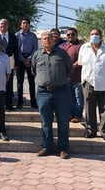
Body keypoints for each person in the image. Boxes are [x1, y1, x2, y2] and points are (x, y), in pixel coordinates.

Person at [32, 31, 73, 159]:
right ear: (42, 41)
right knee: (45, 121)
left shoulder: (62, 54)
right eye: (45, 38)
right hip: (43, 92)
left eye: (49, 38)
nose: (47, 40)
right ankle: (47, 146)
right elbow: (34, 71)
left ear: (54, 40)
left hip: (61, 91)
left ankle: (63, 148)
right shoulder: (37, 55)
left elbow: (70, 69)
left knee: (63, 121)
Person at [78, 28, 105, 141]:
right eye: (92, 34)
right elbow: (80, 62)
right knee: (89, 107)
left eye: (96, 34)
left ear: (101, 36)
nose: (94, 36)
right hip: (89, 82)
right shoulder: (84, 48)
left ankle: (104, 131)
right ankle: (91, 130)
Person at [0, 18, 19, 111]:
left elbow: (16, 50)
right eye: (1, 24)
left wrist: (16, 63)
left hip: (9, 60)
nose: (3, 26)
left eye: (4, 24)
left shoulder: (13, 36)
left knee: (9, 82)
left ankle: (9, 104)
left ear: (7, 26)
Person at [61, 27, 85, 123]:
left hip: (77, 77)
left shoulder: (81, 46)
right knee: (69, 98)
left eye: (72, 34)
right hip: (67, 78)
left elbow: (81, 60)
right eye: (68, 35)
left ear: (76, 35)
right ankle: (70, 114)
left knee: (78, 97)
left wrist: (71, 67)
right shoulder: (64, 46)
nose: (70, 36)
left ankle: (78, 115)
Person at [15, 18, 38, 109]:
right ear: (20, 25)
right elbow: (16, 49)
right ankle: (19, 102)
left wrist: (29, 59)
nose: (25, 24)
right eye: (23, 23)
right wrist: (23, 59)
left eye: (27, 23)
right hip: (20, 60)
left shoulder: (33, 36)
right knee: (20, 82)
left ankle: (33, 102)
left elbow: (35, 48)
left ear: (29, 25)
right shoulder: (17, 35)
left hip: (30, 60)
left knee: (32, 82)